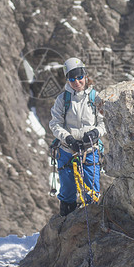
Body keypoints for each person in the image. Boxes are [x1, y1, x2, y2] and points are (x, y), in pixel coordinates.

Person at [49, 57, 105, 216]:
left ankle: (93, 221)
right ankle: (66, 223)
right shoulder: (63, 99)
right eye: (72, 78)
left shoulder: (95, 97)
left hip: (90, 150)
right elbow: (55, 124)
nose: (76, 82)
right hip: (68, 150)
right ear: (67, 79)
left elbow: (104, 121)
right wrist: (68, 139)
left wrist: (96, 133)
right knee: (67, 192)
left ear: (85, 75)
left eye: (79, 77)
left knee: (92, 191)